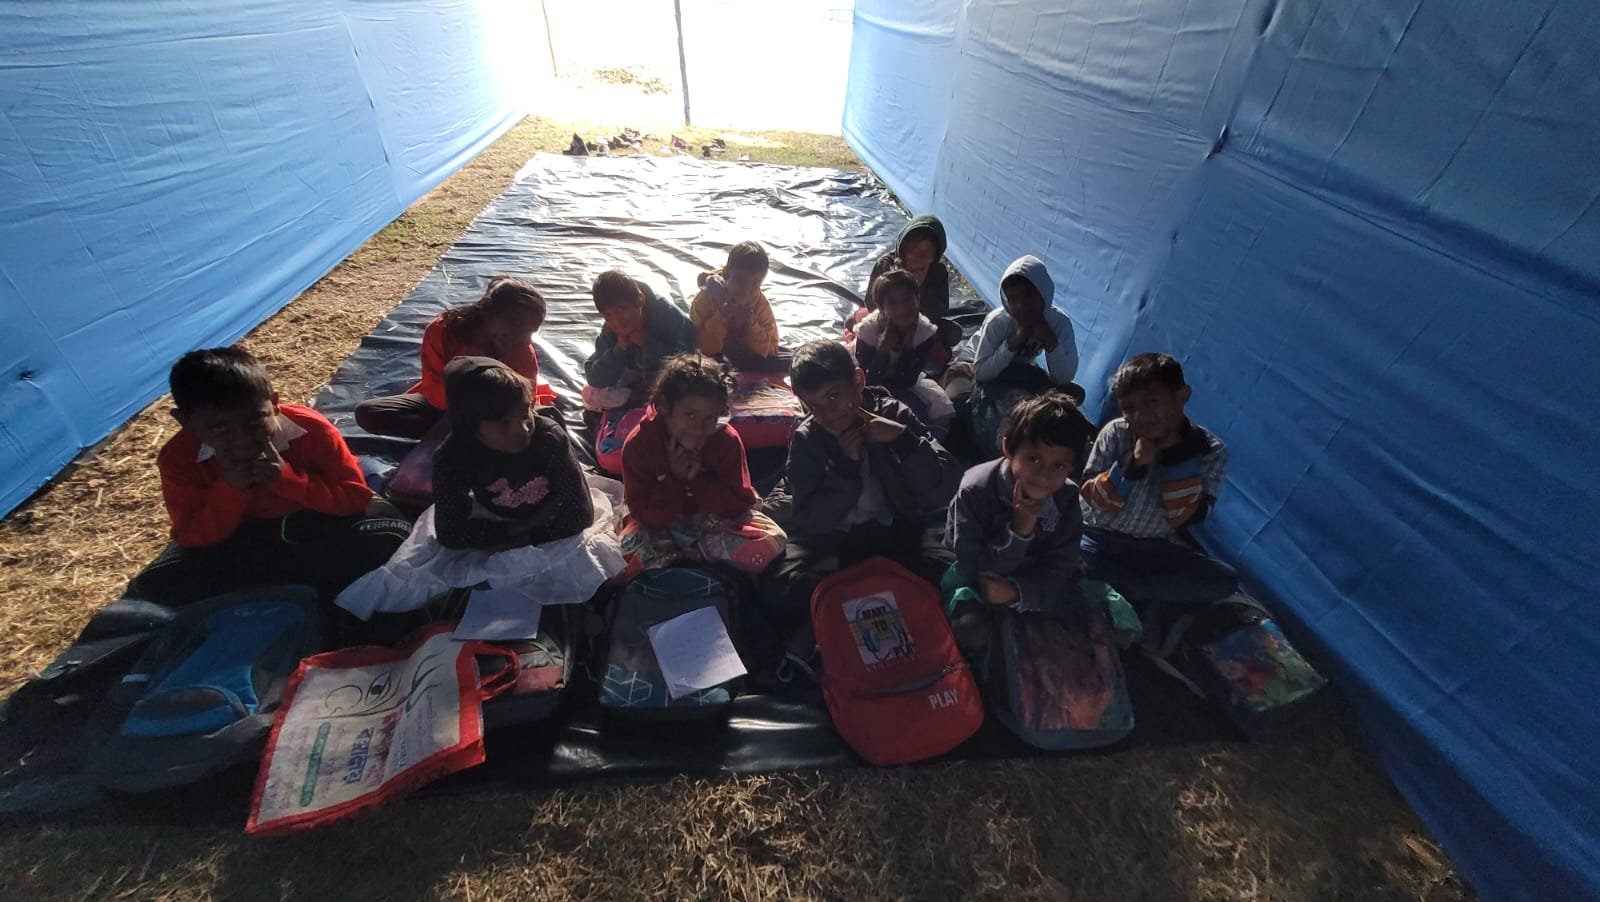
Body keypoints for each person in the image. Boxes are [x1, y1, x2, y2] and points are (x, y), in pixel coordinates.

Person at [334, 357, 624, 620]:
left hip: (548, 515)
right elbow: (451, 533)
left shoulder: (548, 437)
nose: (522, 428)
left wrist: (527, 533)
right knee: (432, 577)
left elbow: (579, 515)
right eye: (503, 423)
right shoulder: (452, 457)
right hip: (501, 518)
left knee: (581, 565)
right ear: (471, 425)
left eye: (525, 413)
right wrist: (513, 534)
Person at [129, 347, 410, 605]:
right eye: (220, 429)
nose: (241, 439)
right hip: (242, 534)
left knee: (389, 537)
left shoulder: (311, 430)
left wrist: (288, 480)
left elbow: (354, 498)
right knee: (160, 586)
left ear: (274, 404)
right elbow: (191, 535)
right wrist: (230, 489)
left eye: (254, 421)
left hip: (314, 519)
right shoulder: (179, 458)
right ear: (186, 422)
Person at [758, 339, 961, 649]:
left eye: (835, 396)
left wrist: (904, 442)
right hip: (834, 543)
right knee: (778, 586)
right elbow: (811, 521)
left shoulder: (894, 414)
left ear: (858, 381)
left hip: (894, 532)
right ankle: (854, 591)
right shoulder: (808, 439)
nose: (829, 414)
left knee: (955, 571)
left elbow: (944, 486)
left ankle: (854, 590)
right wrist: (845, 470)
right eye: (815, 406)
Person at [1079, 352, 1237, 606]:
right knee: (1070, 553)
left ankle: (1127, 586)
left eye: (1151, 402)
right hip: (1097, 538)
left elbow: (1182, 518)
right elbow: (1094, 500)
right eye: (1129, 408)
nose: (1140, 416)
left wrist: (1177, 458)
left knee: (1224, 579)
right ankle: (1135, 589)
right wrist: (1131, 464)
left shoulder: (1209, 450)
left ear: (1181, 397)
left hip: (1152, 548)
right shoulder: (1117, 433)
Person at [944, 392, 1097, 652]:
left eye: (1058, 465)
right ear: (1008, 450)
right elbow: (974, 563)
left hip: (1028, 577)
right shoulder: (976, 489)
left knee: (1091, 621)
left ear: (1071, 469)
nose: (1043, 474)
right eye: (1033, 459)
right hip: (975, 573)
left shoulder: (1067, 499)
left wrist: (1017, 592)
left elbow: (1061, 564)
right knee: (973, 630)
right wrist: (1020, 531)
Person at [618, 354, 787, 578]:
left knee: (770, 543)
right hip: (661, 525)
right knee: (622, 557)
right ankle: (689, 556)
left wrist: (698, 480)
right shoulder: (640, 444)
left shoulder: (725, 440)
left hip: (715, 522)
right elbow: (643, 513)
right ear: (665, 408)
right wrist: (674, 481)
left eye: (709, 418)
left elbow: (740, 503)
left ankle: (688, 556)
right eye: (689, 415)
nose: (699, 428)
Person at [355, 275, 549, 440]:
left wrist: (497, 417)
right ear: (487, 312)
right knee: (369, 413)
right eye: (514, 323)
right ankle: (464, 438)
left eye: (530, 330)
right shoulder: (443, 331)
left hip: (497, 417)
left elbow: (525, 401)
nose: (521, 336)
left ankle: (458, 437)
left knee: (545, 429)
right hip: (447, 406)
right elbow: (434, 390)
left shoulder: (521, 347)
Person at [965, 255, 1081, 458]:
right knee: (991, 410)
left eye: (1029, 296)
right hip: (980, 365)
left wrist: (1049, 340)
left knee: (1071, 396)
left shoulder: (1058, 322)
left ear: (1044, 294)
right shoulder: (999, 322)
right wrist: (1013, 342)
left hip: (1021, 371)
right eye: (1013, 299)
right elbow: (982, 373)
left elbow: (1064, 377)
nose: (1021, 305)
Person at [583, 270, 698, 473]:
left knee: (694, 387)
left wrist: (647, 342)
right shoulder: (611, 329)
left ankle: (653, 400)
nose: (618, 320)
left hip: (671, 377)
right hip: (635, 381)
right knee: (591, 395)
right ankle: (642, 398)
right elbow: (595, 377)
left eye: (623, 309)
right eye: (609, 315)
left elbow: (686, 360)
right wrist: (619, 350)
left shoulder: (667, 316)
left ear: (640, 300)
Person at [853, 269, 955, 437]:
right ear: (882, 308)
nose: (902, 308)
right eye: (892, 302)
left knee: (930, 417)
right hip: (869, 384)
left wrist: (908, 347)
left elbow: (907, 380)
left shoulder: (923, 332)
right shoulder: (868, 332)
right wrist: (883, 350)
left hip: (905, 384)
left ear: (918, 299)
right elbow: (868, 381)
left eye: (908, 299)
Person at [861, 213, 962, 353]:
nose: (917, 258)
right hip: (889, 321)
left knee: (953, 332)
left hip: (919, 320)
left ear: (935, 256)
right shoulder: (886, 265)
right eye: (912, 250)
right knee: (867, 329)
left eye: (925, 254)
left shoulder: (938, 272)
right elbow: (871, 303)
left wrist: (918, 289)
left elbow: (941, 309)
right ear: (903, 248)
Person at [690, 241, 785, 372]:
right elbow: (700, 348)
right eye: (740, 279)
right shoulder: (705, 300)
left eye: (755, 283)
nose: (747, 289)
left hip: (747, 361)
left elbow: (771, 349)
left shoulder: (759, 303)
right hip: (714, 362)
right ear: (727, 273)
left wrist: (752, 325)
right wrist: (720, 317)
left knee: (790, 361)